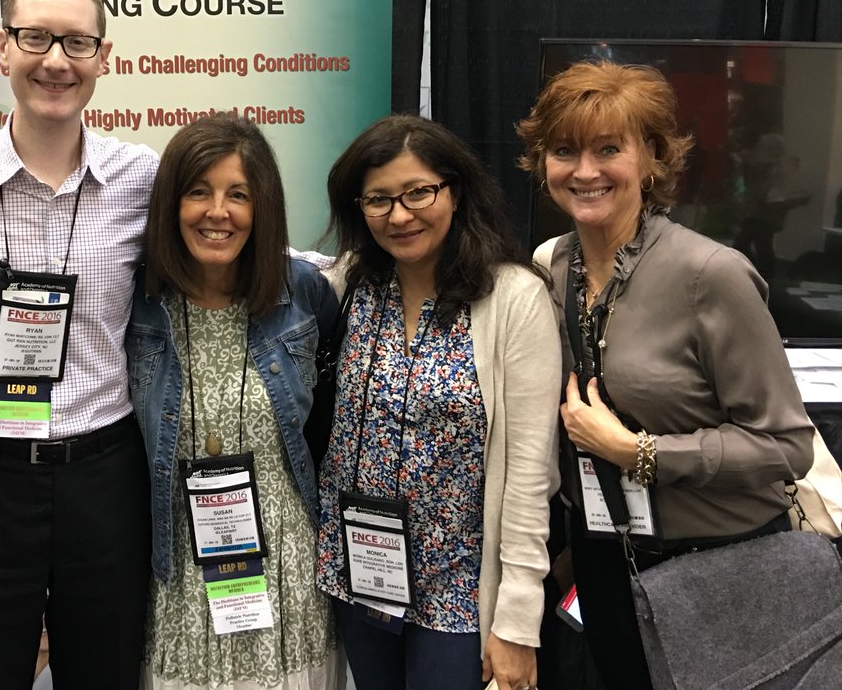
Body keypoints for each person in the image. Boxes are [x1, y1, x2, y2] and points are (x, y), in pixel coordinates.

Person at [515, 60, 816, 690]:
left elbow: (788, 447)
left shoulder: (713, 275)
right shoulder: (549, 267)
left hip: (717, 566)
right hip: (605, 557)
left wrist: (638, 451)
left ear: (652, 158)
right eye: (565, 150)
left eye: (608, 149)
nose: (586, 171)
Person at [0, 0, 156, 689]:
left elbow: (245, 244)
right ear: (2, 44)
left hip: (104, 474)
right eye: (36, 38)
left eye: (77, 43)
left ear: (104, 57)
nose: (56, 60)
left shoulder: (143, 178)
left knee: (105, 672)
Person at [316, 115, 560, 690]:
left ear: (456, 191)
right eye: (378, 199)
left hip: (459, 588)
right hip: (357, 570)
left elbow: (529, 475)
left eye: (418, 192)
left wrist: (518, 622)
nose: (399, 215)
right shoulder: (351, 284)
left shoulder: (513, 298)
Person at [127, 113, 344, 689]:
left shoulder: (304, 294)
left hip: (286, 559)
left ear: (262, 207)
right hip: (176, 565)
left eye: (238, 194)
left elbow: (326, 428)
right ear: (172, 203)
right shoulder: (138, 302)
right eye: (199, 191)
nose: (217, 212)